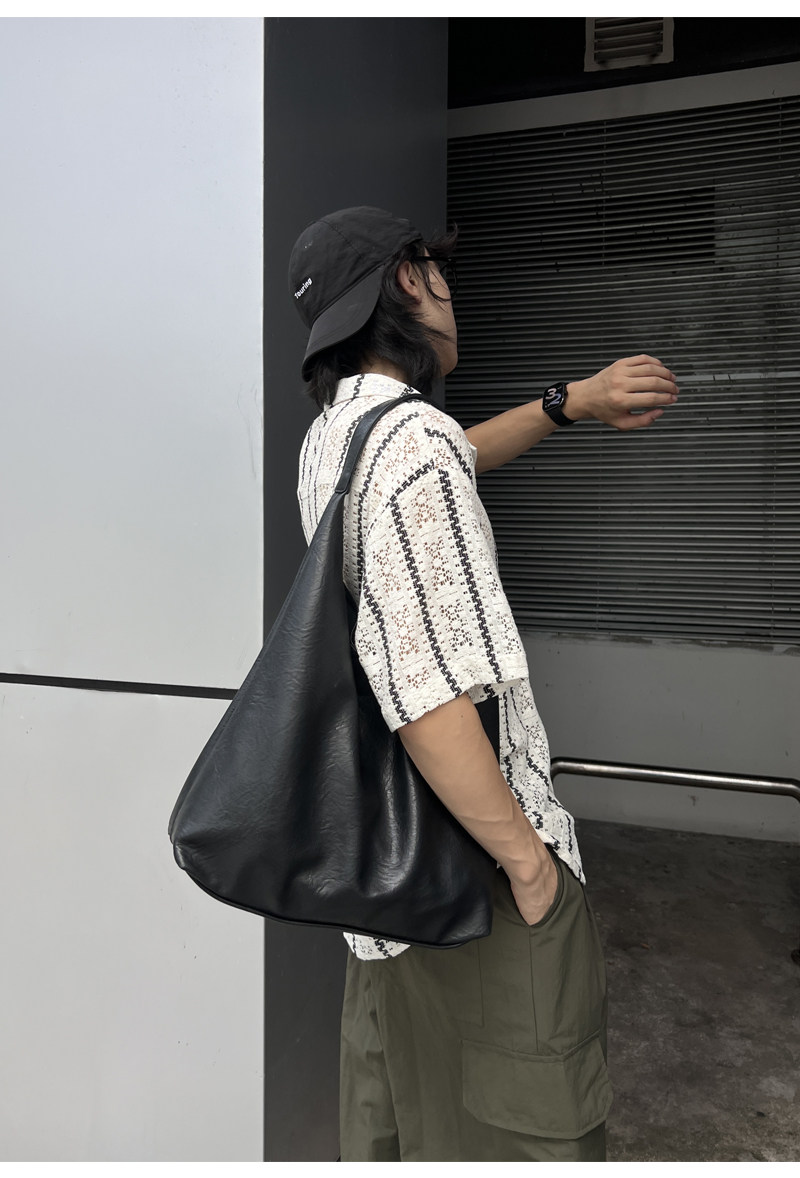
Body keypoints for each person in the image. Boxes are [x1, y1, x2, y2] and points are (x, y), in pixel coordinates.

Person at [288, 205, 678, 1162]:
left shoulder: (338, 440)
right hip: (475, 883)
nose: (449, 290)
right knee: (524, 1133)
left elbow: (457, 453)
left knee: (407, 1123)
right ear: (409, 280)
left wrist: (568, 403)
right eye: (438, 270)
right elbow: (426, 700)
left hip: (382, 884)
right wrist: (528, 866)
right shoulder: (410, 445)